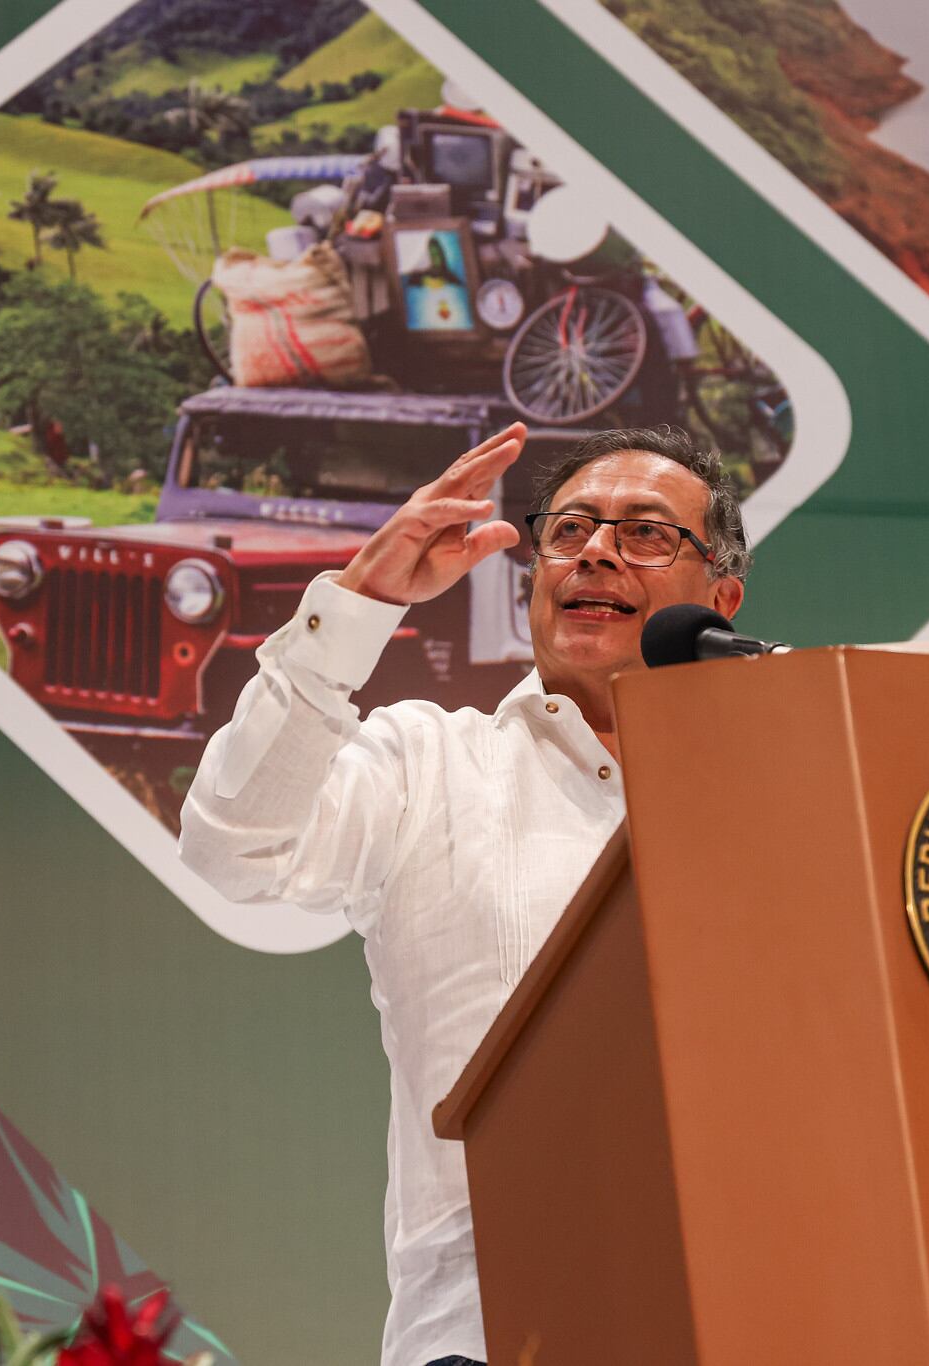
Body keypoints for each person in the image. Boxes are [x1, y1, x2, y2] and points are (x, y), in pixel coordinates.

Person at [179, 422, 752, 1366]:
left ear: (720, 599)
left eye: (645, 533)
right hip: (491, 1336)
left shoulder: (784, 798)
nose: (597, 550)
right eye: (569, 530)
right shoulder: (430, 765)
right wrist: (358, 604)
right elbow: (233, 847)